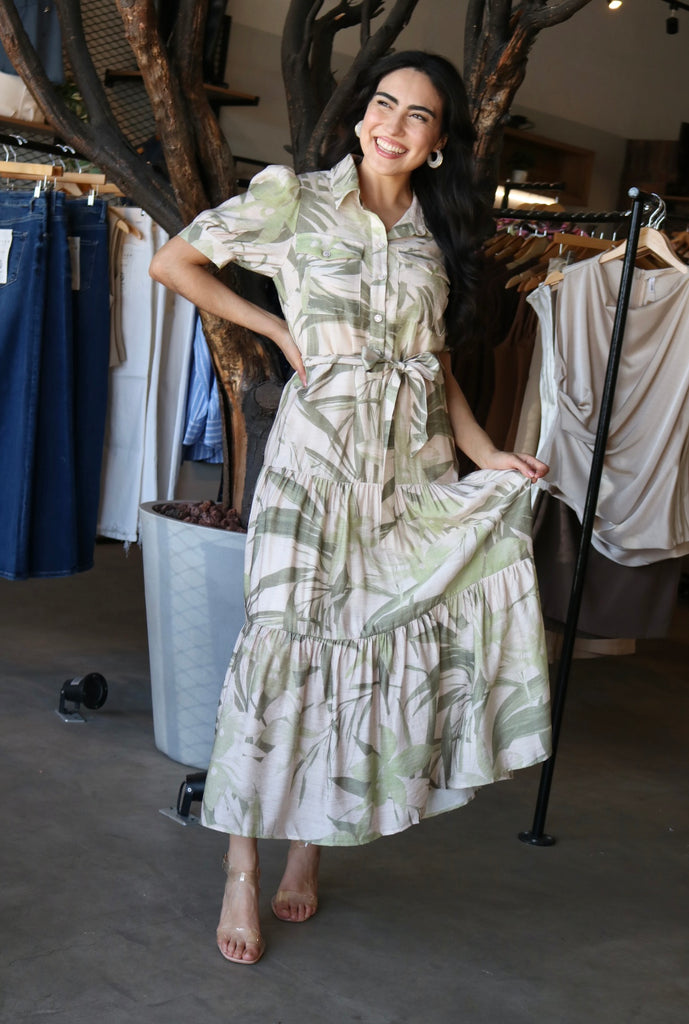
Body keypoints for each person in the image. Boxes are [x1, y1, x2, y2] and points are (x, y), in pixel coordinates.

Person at [150, 50, 551, 966]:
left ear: (439, 142)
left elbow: (433, 364)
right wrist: (276, 327)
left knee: (365, 649)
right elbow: (176, 262)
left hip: (407, 468)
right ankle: (241, 866)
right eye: (382, 103)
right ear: (362, 112)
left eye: (417, 115)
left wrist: (486, 453)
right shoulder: (293, 201)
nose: (390, 125)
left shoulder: (433, 233)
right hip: (313, 465)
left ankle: (310, 845)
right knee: (283, 645)